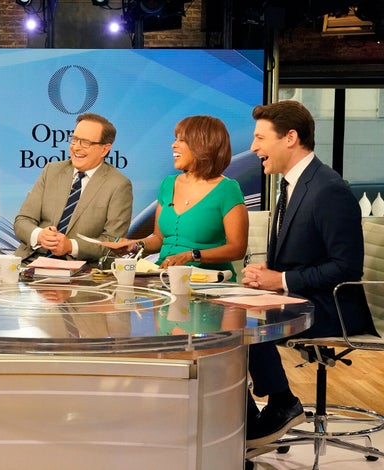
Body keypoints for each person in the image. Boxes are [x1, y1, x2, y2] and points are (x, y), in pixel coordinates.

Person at [241, 100, 376, 447]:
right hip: (301, 298)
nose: (254, 147)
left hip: (334, 309)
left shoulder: (328, 189)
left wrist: (281, 281)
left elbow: (346, 267)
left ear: (290, 138)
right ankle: (256, 420)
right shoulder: (292, 185)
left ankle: (282, 404)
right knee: (230, 309)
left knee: (246, 321)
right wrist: (265, 275)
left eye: (260, 138)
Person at [100, 115, 248, 279]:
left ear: (203, 145)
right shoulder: (168, 184)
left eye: (181, 140)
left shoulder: (227, 189)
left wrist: (192, 255)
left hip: (207, 281)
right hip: (163, 276)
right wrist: (134, 245)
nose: (173, 145)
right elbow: (159, 239)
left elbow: (237, 249)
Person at [13, 113, 133, 264]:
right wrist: (39, 235)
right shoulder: (52, 171)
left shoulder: (118, 185)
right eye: (75, 139)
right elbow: (22, 220)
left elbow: (113, 243)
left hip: (81, 271)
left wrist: (71, 246)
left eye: (85, 143)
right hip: (30, 262)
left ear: (105, 149)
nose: (76, 147)